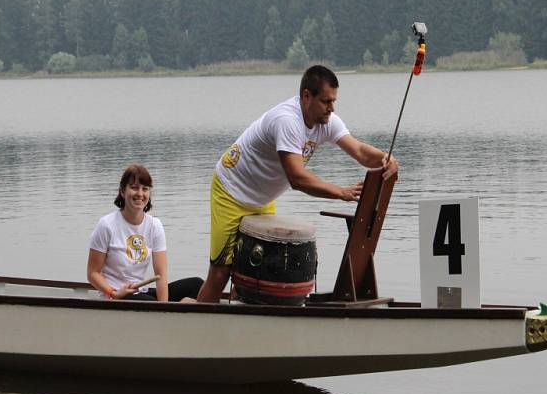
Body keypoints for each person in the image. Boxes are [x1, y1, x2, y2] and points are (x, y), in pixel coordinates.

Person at [196, 64, 399, 303]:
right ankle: (196, 323)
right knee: (221, 273)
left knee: (253, 274)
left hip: (262, 198)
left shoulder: (327, 121)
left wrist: (385, 158)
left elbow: (359, 150)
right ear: (306, 96)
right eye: (326, 101)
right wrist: (340, 192)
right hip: (231, 190)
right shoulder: (287, 121)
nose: (331, 108)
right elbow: (297, 178)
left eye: (334, 101)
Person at [87, 164, 202, 301]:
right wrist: (113, 293)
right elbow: (93, 273)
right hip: (116, 296)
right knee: (149, 302)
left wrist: (164, 308)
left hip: (139, 292)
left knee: (198, 285)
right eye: (134, 187)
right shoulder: (106, 225)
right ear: (122, 191)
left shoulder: (155, 225)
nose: (140, 194)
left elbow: (161, 274)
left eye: (145, 189)